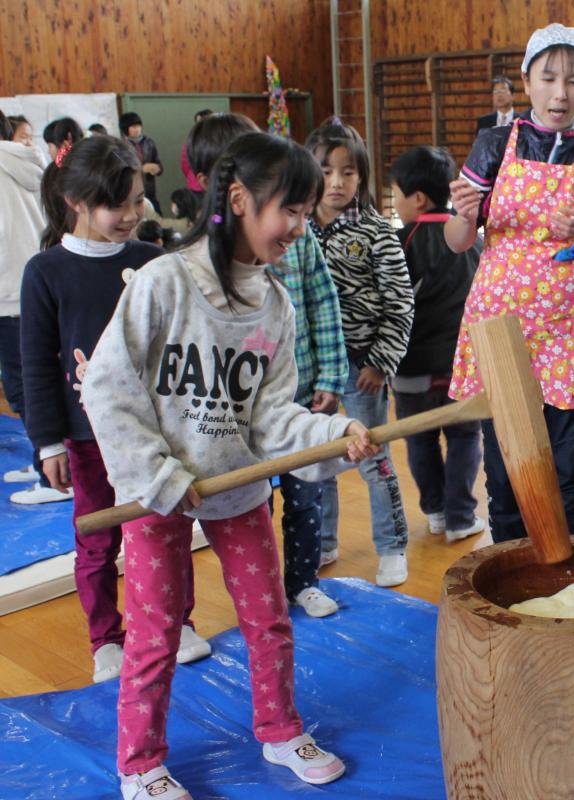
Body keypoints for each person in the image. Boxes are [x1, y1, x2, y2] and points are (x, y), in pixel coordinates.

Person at [81, 132, 372, 799]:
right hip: (158, 498)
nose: (300, 226)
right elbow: (108, 387)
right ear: (238, 198)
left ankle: (277, 728)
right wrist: (160, 477)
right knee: (155, 631)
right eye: (288, 210)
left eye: (306, 211)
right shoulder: (166, 282)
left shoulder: (274, 306)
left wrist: (334, 432)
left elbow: (274, 418)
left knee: (269, 618)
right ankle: (140, 764)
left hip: (237, 490)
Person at [20, 135, 211, 687]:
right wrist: (48, 441)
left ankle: (180, 621)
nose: (131, 216)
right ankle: (106, 637)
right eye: (117, 205)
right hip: (86, 435)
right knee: (99, 537)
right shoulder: (47, 271)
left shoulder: (152, 260)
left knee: (166, 525)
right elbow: (37, 363)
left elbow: (178, 345)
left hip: (154, 430)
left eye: (137, 201)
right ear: (77, 201)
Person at [445, 23, 574, 543]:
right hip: (501, 331)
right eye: (548, 78)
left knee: (573, 472)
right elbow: (460, 241)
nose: (560, 92)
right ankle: (513, 569)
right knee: (506, 473)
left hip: (569, 332)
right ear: (527, 80)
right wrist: (462, 214)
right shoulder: (492, 144)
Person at [188, 111, 350, 615]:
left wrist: (329, 377)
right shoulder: (182, 273)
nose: (298, 226)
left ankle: (302, 578)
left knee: (303, 499)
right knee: (243, 509)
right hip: (225, 424)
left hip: (290, 402)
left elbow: (323, 304)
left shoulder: (290, 259)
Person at [306, 118, 414, 587]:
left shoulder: (377, 232)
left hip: (364, 367)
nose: (336, 182)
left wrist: (380, 361)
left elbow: (400, 303)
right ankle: (323, 542)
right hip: (312, 370)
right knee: (319, 461)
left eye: (347, 172)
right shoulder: (298, 230)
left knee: (373, 459)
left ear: (362, 176)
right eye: (326, 171)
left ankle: (392, 547)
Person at [388, 145, 485, 543]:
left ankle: (436, 512)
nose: (394, 202)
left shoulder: (398, 242)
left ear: (418, 199)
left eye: (394, 194)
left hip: (411, 369)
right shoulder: (472, 242)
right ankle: (461, 516)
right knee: (464, 437)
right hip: (461, 366)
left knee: (419, 438)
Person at [1, 111, 66, 503]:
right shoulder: (24, 159)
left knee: (28, 385)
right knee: (25, 382)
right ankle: (43, 458)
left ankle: (51, 474)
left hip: (12, 289)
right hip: (28, 280)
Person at [119, 112, 163, 214]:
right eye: (133, 126)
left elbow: (159, 164)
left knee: (157, 216)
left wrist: (158, 168)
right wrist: (141, 169)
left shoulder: (149, 142)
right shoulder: (121, 146)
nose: (137, 129)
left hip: (150, 190)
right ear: (125, 128)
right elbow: (120, 170)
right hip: (131, 191)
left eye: (139, 125)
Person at [180, 109, 212, 196]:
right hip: (195, 187)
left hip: (215, 185)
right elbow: (185, 165)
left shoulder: (219, 140)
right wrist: (193, 177)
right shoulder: (190, 141)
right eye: (198, 123)